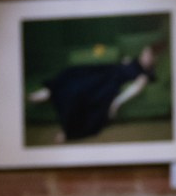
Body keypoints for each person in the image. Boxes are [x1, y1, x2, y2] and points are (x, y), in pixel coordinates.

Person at [28, 42, 158, 142]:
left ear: (153, 60)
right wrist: (125, 62)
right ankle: (48, 91)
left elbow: (134, 90)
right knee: (73, 73)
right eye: (144, 52)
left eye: (148, 55)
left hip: (110, 81)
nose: (144, 56)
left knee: (82, 89)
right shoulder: (133, 60)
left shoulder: (144, 76)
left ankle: (67, 130)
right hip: (106, 70)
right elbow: (122, 64)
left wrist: (117, 102)